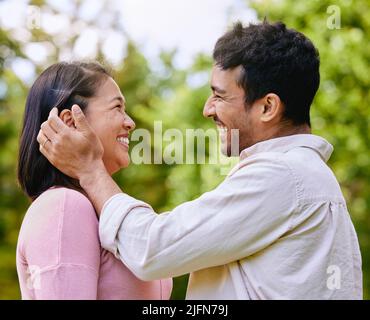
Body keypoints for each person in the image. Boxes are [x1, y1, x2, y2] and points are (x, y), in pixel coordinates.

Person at [37, 21, 362, 299]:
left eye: (219, 96)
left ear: (267, 107)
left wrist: (91, 171)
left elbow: (153, 247)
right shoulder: (299, 177)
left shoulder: (284, 177)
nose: (207, 109)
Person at [16, 61, 172, 300]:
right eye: (117, 108)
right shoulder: (65, 206)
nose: (130, 123)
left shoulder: (97, 209)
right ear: (70, 122)